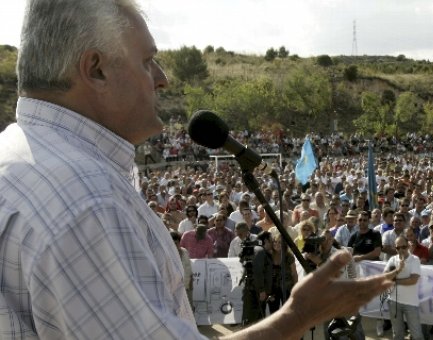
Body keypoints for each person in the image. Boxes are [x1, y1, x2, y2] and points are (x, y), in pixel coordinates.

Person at [0, 1, 395, 338]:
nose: (163, 79)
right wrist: (299, 316)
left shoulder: (17, 156)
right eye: (148, 61)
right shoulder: (88, 201)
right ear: (96, 69)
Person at [383, 235, 424, 340]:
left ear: (408, 246)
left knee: (417, 335)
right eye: (398, 248)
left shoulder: (415, 259)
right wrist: (398, 270)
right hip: (393, 302)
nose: (401, 250)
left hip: (411, 303)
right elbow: (385, 277)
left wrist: (395, 281)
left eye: (403, 247)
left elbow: (413, 280)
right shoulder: (393, 259)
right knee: (397, 334)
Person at [241, 231, 274, 325]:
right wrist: (261, 290)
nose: (272, 243)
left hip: (254, 292)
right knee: (254, 320)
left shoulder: (259, 251)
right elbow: (257, 271)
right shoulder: (260, 251)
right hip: (255, 293)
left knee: (257, 319)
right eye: (271, 240)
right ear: (266, 240)